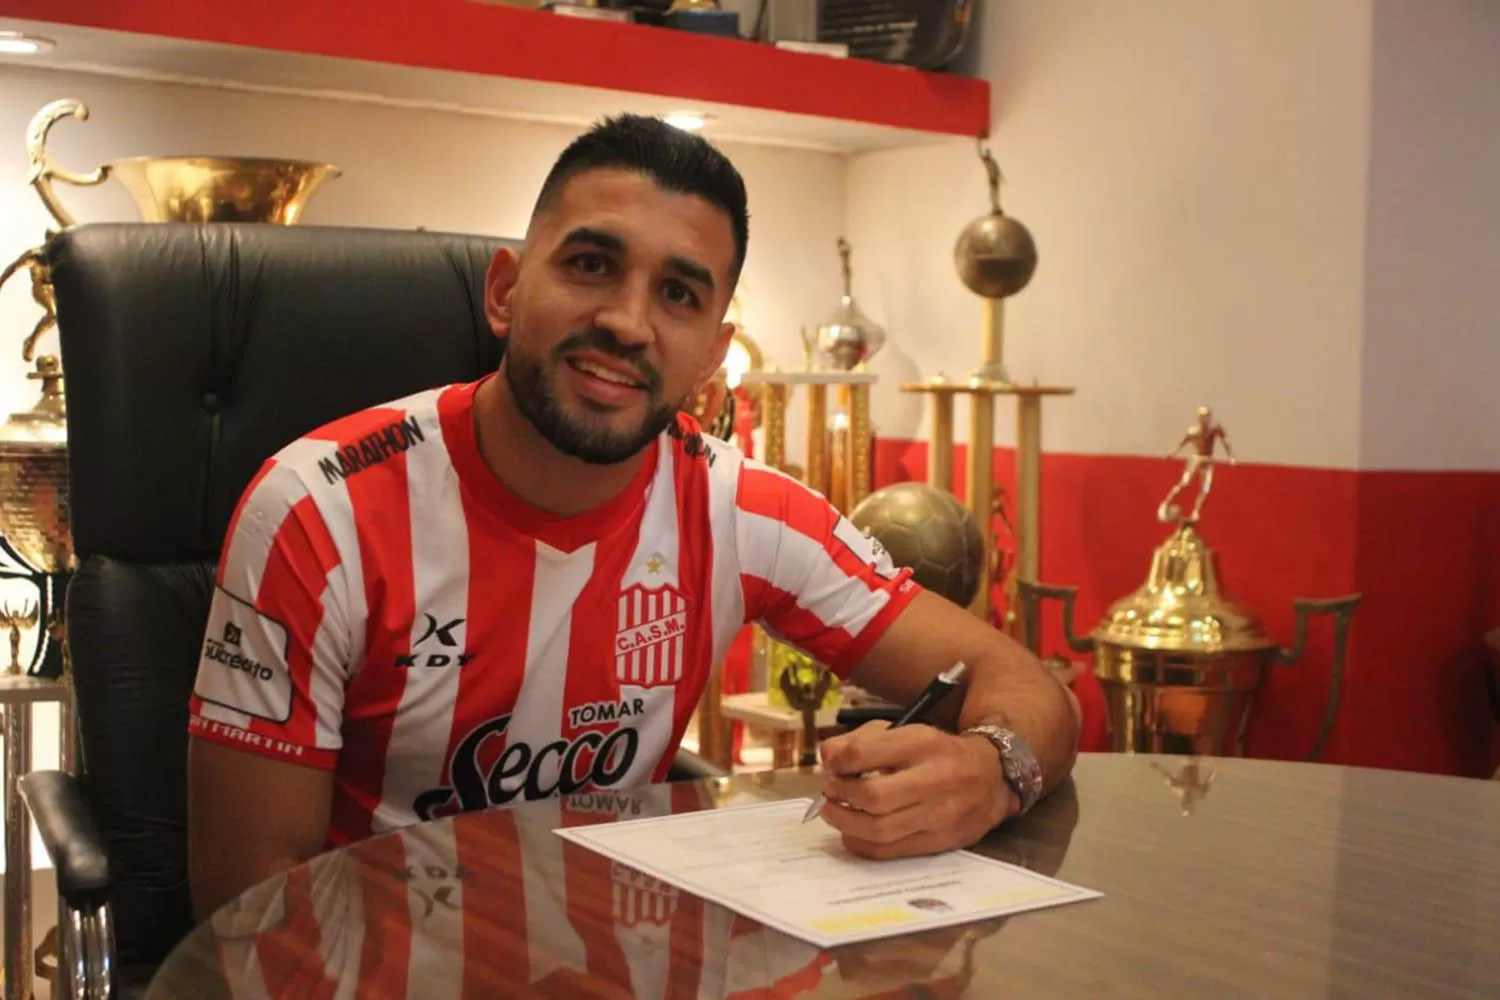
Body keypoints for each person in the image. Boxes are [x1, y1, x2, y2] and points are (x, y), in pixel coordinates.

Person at [186, 114, 1081, 921]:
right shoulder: (318, 512)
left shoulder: (740, 509)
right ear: (504, 290)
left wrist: (992, 771)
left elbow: (1027, 685)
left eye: (679, 295)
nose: (626, 322)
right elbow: (249, 903)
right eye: (590, 265)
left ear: (713, 357)